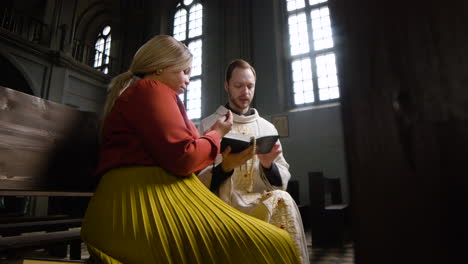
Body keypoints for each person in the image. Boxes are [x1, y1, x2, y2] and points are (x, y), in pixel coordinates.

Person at [80, 35, 300, 264]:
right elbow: (186, 157)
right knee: (271, 244)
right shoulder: (151, 90)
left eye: (250, 86)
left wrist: (266, 164)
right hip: (136, 201)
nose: (188, 79)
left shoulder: (154, 93)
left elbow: (184, 158)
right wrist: (217, 137)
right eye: (184, 71)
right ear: (159, 68)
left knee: (271, 237)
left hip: (155, 192)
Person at [198, 59, 309, 264]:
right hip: (222, 206)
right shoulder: (208, 125)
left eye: (250, 86)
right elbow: (196, 180)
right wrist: (225, 168)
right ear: (226, 86)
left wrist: (268, 165)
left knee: (283, 200)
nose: (245, 92)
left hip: (259, 204)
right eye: (238, 86)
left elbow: (282, 175)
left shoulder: (267, 129)